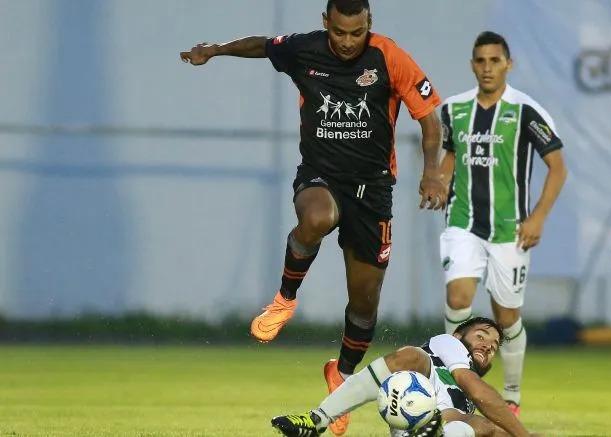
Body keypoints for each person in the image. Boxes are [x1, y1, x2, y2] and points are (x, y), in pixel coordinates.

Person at [180, 1, 446, 433]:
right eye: (339, 32)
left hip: (373, 190)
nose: (346, 42)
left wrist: (432, 171)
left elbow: (430, 119)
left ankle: (340, 377)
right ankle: (284, 300)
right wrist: (215, 50)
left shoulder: (388, 56)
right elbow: (263, 46)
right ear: (326, 24)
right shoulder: (305, 49)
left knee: (364, 302)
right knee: (317, 217)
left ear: (368, 26)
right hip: (320, 175)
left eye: (355, 33)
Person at [438, 32, 567, 416]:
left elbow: (557, 168)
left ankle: (510, 396)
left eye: (495, 60)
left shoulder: (526, 111)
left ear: (508, 64)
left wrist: (538, 217)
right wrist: (439, 182)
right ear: (472, 64)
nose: (487, 67)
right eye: (481, 60)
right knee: (458, 299)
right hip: (462, 222)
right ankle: (450, 384)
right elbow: (447, 155)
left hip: (511, 230)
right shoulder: (453, 110)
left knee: (507, 317)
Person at [271, 317, 542, 437]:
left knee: (484, 426)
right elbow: (477, 388)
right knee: (412, 356)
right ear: (458, 336)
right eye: (481, 336)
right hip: (412, 413)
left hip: (443, 423)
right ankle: (318, 419)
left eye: (493, 347)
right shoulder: (448, 345)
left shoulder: (469, 394)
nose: (487, 345)